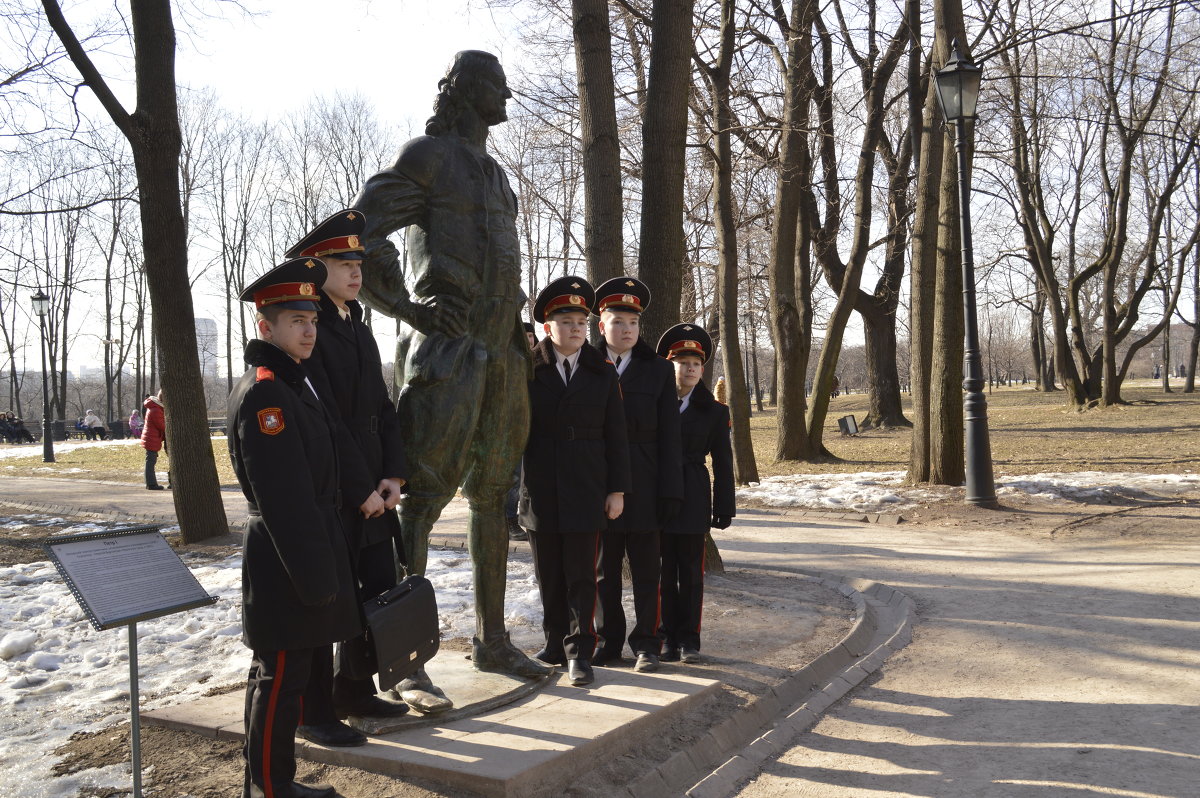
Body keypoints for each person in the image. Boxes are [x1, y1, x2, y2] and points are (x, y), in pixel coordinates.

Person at [355, 49, 549, 708]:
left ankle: (492, 639)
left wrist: (521, 334)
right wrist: (406, 308)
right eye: (497, 85)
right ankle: (403, 656)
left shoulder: (496, 176)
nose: (507, 96)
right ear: (467, 91)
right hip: (447, 355)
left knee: (493, 499)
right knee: (423, 501)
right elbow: (360, 231)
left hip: (502, 358)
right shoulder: (427, 156)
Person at [228, 257, 362, 798]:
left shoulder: (292, 380)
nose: (309, 330)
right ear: (266, 327)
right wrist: (314, 573)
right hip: (286, 557)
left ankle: (271, 780)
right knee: (277, 679)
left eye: (311, 319)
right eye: (294, 321)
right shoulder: (266, 392)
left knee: (288, 676)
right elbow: (283, 498)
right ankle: (268, 787)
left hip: (306, 546)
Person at [284, 209, 412, 726]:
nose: (356, 272)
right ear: (315, 267)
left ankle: (353, 690)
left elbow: (382, 406)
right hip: (339, 488)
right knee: (333, 601)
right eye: (343, 262)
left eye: (358, 261)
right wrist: (361, 487)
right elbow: (327, 419)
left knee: (378, 588)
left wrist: (395, 476)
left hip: (376, 484)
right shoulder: (309, 326)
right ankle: (315, 706)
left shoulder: (357, 325)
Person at [521, 276, 630, 687]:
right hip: (542, 487)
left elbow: (616, 435)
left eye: (581, 322)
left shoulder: (601, 371)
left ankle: (579, 652)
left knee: (583, 575)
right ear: (548, 326)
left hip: (587, 486)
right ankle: (553, 645)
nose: (575, 329)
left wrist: (617, 490)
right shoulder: (528, 368)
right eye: (566, 322)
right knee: (548, 573)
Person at [590, 277, 683, 673]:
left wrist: (671, 491)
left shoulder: (659, 370)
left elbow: (671, 436)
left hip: (645, 484)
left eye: (633, 322)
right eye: (617, 321)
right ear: (601, 326)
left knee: (648, 571)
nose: (626, 329)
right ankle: (609, 640)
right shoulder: (587, 365)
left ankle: (647, 642)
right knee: (603, 573)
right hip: (599, 483)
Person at [655, 324, 735, 665]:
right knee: (660, 572)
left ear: (703, 369)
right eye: (682, 361)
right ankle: (663, 637)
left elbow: (722, 460)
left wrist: (724, 506)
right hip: (656, 494)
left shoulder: (714, 411)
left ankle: (689, 640)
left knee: (689, 573)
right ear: (669, 365)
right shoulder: (654, 404)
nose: (689, 368)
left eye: (696, 363)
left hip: (693, 495)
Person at [504, 322, 539, 543]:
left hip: (535, 429)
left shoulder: (540, 361)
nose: (529, 340)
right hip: (512, 429)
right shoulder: (510, 361)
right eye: (524, 335)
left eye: (531, 336)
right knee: (514, 479)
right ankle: (509, 519)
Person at [140, 392, 166, 490]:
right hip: (152, 438)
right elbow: (161, 425)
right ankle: (151, 483)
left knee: (150, 460)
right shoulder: (156, 410)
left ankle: (150, 483)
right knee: (150, 461)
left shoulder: (154, 407)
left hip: (151, 437)